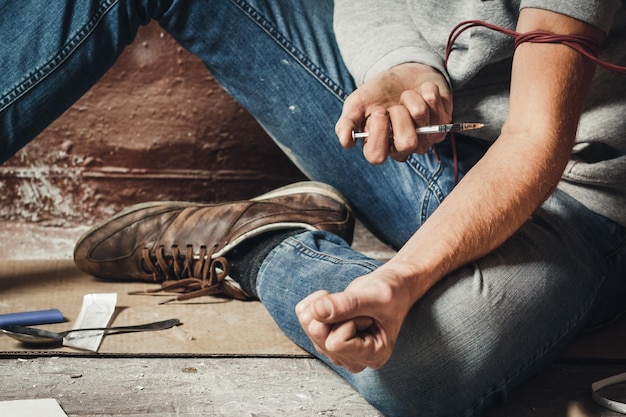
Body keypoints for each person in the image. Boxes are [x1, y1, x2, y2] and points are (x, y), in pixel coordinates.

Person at [3, 1, 625, 416]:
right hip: (427, 140)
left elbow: (536, 140)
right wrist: (399, 65)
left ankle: (259, 242)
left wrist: (399, 281)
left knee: (415, 369)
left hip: (566, 198)